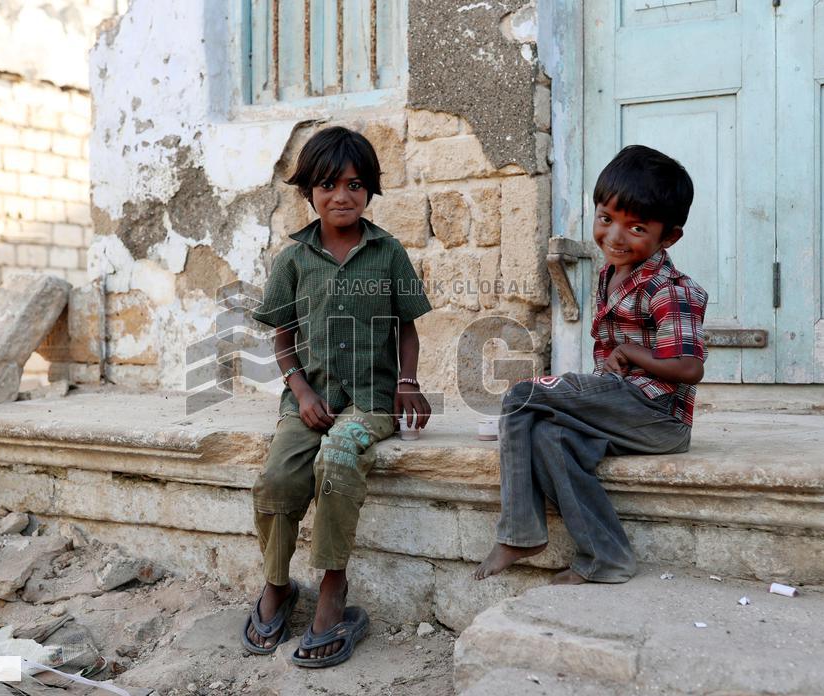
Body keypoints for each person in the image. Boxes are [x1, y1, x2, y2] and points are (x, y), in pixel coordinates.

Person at [474, 144, 708, 584]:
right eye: (606, 219)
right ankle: (606, 558)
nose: (615, 237)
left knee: (523, 395)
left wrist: (631, 352)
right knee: (549, 435)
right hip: (621, 409)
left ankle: (520, 532)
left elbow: (688, 368)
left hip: (656, 417)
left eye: (636, 226)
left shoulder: (669, 289)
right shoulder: (609, 274)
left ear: (669, 237)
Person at [242, 126, 432, 667]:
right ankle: (278, 584)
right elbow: (280, 336)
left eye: (353, 184)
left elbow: (408, 327)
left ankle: (332, 585)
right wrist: (300, 391)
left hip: (371, 399)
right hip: (311, 398)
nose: (341, 196)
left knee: (339, 458)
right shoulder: (295, 259)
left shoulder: (388, 252)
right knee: (278, 477)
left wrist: (407, 383)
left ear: (369, 189)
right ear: (308, 193)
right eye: (327, 185)